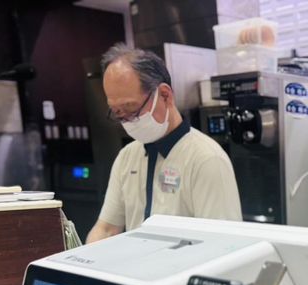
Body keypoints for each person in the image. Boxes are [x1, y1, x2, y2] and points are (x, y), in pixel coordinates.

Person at [86, 44, 242, 243]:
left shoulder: (206, 159)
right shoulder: (127, 157)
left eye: (131, 108)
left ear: (165, 95)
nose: (126, 120)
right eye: (117, 112)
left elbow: (222, 244)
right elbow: (107, 229)